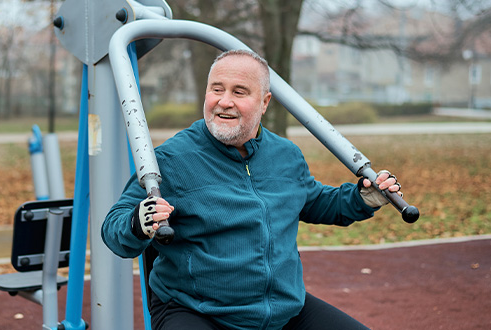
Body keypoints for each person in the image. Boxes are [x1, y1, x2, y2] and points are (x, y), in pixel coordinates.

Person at [101, 49, 402, 330]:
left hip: (281, 309)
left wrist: (362, 198)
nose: (224, 101)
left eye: (239, 92)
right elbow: (114, 227)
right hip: (200, 311)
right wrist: (136, 223)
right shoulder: (171, 160)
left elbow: (314, 202)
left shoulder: (285, 155)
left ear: (265, 102)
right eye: (216, 89)